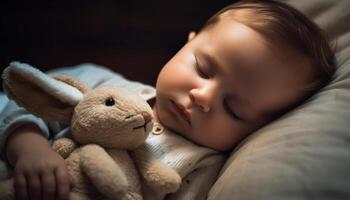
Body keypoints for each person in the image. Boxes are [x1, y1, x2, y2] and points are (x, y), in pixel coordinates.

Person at [0, 0, 335, 199]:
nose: (202, 97)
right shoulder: (103, 84)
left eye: (233, 109)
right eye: (203, 69)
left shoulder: (203, 171)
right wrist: (30, 148)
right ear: (187, 43)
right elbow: (20, 96)